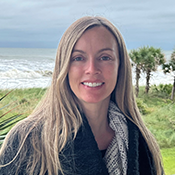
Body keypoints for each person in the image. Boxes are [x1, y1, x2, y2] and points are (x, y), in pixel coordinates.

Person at [0, 16, 163, 175]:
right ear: (64, 67)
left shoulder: (142, 141)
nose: (92, 69)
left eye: (105, 57)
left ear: (120, 67)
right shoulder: (26, 140)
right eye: (78, 58)